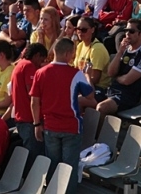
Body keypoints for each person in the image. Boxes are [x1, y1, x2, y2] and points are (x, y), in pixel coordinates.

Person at [30, 39, 96, 194]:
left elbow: (34, 102)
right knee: (69, 167)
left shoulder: (40, 72)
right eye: (73, 53)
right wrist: (87, 75)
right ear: (67, 54)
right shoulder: (76, 74)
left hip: (50, 127)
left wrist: (36, 124)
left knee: (53, 165)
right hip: (71, 128)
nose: (73, 56)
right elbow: (90, 95)